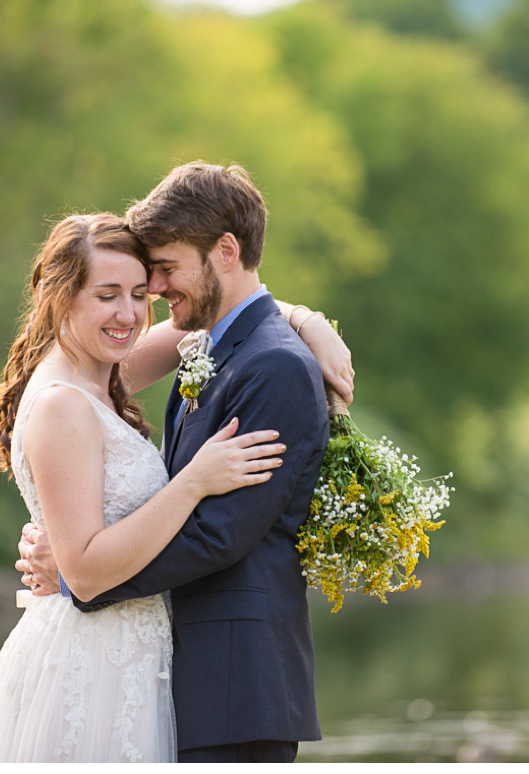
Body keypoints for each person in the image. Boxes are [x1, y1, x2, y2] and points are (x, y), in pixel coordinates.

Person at [20, 162, 346, 763]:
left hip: (237, 685)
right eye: (118, 291)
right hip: (170, 678)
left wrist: (79, 580)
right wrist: (302, 316)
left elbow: (219, 533)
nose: (153, 296)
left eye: (159, 275)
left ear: (225, 250)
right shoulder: (190, 350)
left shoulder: (269, 364)